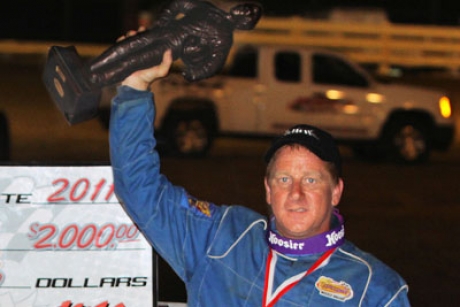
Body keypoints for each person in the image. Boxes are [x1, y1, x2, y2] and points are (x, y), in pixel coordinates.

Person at [109, 48, 410, 306]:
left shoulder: (375, 289)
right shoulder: (222, 236)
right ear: (267, 190)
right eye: (283, 179)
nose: (296, 192)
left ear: (336, 192)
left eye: (311, 180)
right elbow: (139, 188)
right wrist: (135, 86)